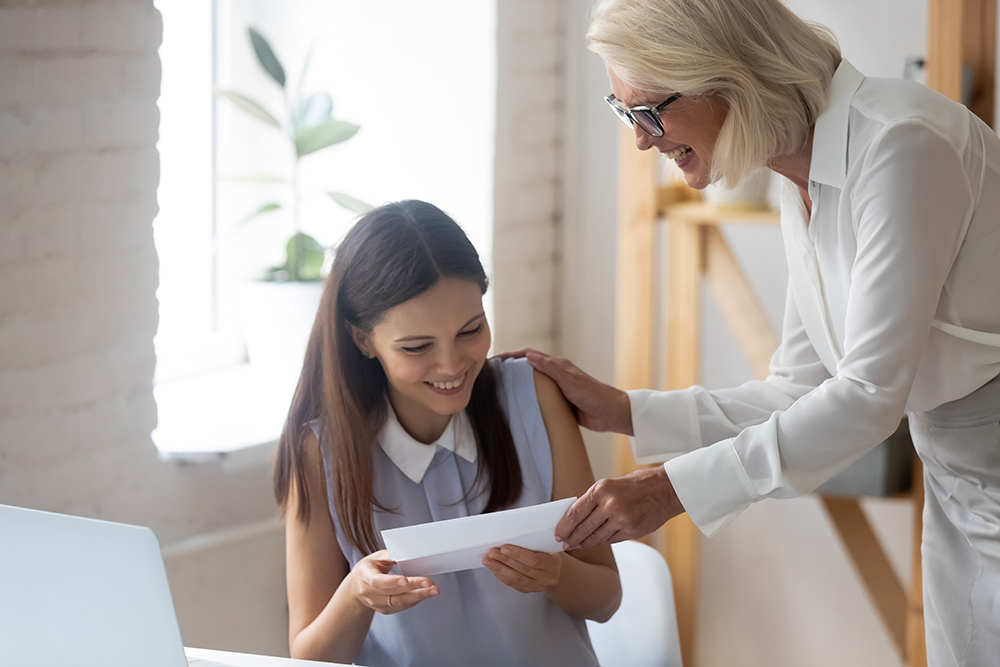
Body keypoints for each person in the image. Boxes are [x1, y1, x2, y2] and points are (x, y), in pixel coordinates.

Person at [507, 0, 1000, 664]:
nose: (641, 139)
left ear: (728, 77)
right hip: (955, 472)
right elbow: (798, 388)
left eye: (648, 110)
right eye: (624, 111)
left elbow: (867, 397)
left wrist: (671, 488)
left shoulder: (899, 144)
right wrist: (626, 411)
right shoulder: (803, 175)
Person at [273, 200, 620, 666]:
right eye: (417, 347)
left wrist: (555, 574)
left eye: (470, 330)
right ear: (362, 341)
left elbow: (606, 597)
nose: (452, 365)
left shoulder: (535, 398)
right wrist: (356, 595)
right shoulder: (320, 453)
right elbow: (308, 658)